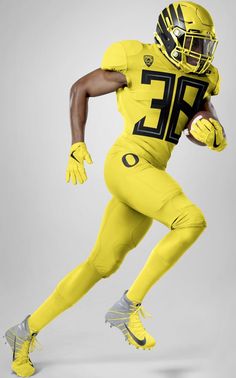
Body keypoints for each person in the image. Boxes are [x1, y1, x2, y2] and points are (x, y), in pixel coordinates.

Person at [5, 2, 227, 377]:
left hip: (149, 172)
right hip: (128, 161)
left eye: (204, 45)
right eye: (191, 42)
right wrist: (77, 143)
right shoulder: (136, 58)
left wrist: (213, 134)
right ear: (169, 37)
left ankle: (23, 332)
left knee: (100, 264)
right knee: (190, 220)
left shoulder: (205, 77)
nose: (198, 52)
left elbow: (200, 116)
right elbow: (80, 88)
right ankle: (129, 306)